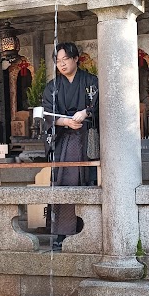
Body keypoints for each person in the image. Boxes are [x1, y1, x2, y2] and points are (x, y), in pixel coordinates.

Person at [42, 42, 99, 250]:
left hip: (88, 138)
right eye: (58, 61)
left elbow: (100, 105)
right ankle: (63, 232)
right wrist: (64, 122)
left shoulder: (91, 82)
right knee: (63, 181)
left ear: (76, 59)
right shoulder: (53, 87)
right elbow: (47, 115)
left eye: (65, 59)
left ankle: (89, 230)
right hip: (63, 140)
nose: (62, 64)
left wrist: (86, 112)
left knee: (88, 180)